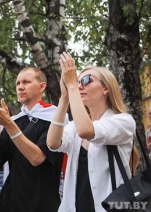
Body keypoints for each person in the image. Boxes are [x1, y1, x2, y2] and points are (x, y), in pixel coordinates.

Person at [46, 52, 136, 212]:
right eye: (78, 81)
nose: (80, 85)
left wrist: (72, 85)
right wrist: (64, 98)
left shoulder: (123, 121)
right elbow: (53, 143)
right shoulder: (73, 127)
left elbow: (87, 131)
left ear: (105, 89)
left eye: (86, 80)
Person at [0, 67, 68, 211]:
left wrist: (8, 124)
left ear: (42, 86)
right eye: (18, 83)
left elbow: (37, 158)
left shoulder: (55, 118)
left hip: (41, 203)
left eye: (26, 82)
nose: (20, 87)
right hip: (10, 202)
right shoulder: (16, 120)